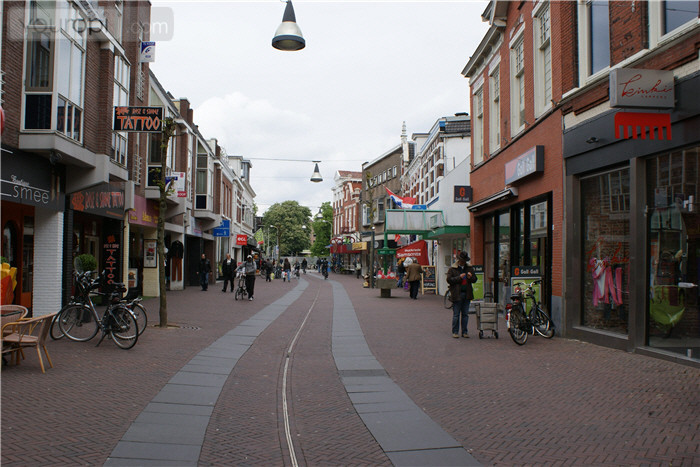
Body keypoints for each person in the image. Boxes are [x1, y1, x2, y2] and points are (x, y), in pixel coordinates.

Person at [446, 251, 478, 338]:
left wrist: (471, 277)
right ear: (459, 260)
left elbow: (475, 279)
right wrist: (459, 278)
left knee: (465, 314)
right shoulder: (452, 269)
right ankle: (455, 332)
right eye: (462, 261)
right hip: (457, 294)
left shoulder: (469, 268)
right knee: (456, 314)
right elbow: (449, 280)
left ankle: (465, 332)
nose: (463, 262)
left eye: (464, 261)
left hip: (467, 294)